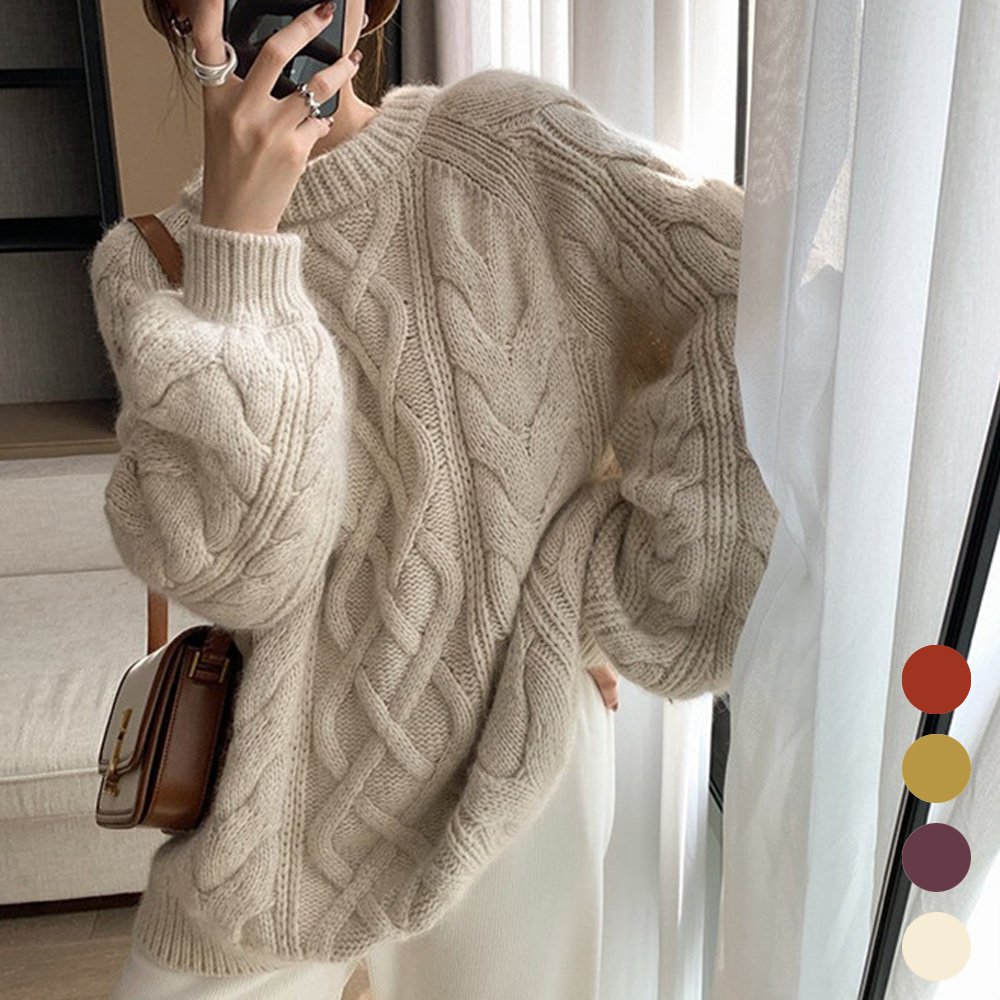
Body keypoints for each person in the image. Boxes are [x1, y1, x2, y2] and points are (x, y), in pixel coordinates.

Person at [93, 0, 778, 996]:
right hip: (274, 821)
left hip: (515, 772)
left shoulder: (507, 144)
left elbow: (747, 290)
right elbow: (243, 575)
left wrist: (612, 577)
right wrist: (238, 247)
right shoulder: (150, 264)